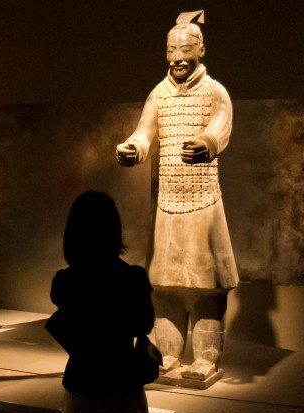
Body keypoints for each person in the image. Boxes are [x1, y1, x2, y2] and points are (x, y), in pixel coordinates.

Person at [115, 10, 238, 381]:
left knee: (206, 287)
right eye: (171, 51)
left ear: (202, 50)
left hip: (202, 201)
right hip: (167, 201)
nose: (177, 59)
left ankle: (206, 358)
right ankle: (168, 354)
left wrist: (208, 142)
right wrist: (134, 148)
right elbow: (145, 131)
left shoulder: (215, 91)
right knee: (165, 285)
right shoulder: (159, 93)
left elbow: (221, 124)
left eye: (185, 50)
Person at [48, 190, 154, 413]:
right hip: (123, 385)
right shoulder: (133, 278)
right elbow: (145, 324)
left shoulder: (66, 281)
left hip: (82, 384)